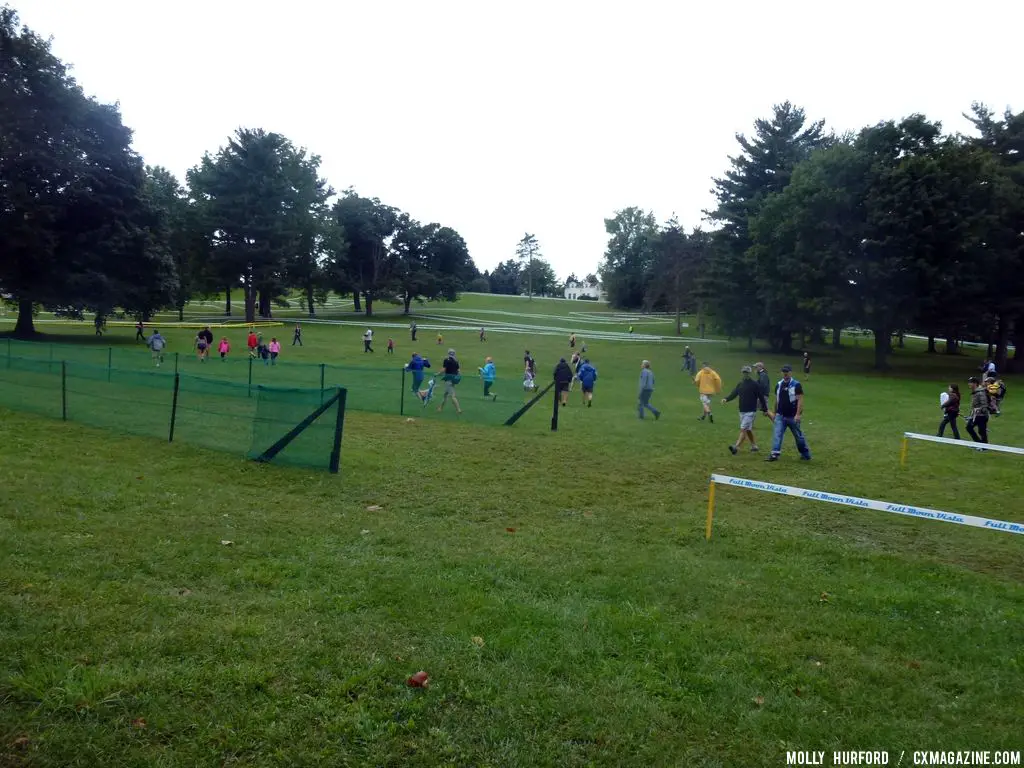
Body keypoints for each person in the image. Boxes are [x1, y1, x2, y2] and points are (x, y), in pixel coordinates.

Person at [766, 364, 810, 462]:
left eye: (787, 372)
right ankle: (774, 454)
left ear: (790, 373)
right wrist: (775, 412)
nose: (785, 373)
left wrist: (798, 414)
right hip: (780, 415)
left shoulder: (796, 385)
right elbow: (777, 400)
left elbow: (800, 400)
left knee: (798, 437)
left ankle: (805, 454)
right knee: (777, 434)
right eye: (784, 372)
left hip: (792, 416)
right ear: (782, 373)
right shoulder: (779, 384)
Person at [722, 365, 769, 455]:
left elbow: (761, 397)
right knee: (748, 429)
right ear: (742, 373)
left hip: (751, 411)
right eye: (744, 372)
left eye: (747, 372)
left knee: (743, 429)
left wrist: (765, 409)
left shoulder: (755, 385)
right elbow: (734, 393)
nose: (745, 374)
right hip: (742, 410)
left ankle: (736, 447)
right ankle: (754, 446)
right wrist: (726, 399)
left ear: (749, 373)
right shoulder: (740, 384)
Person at [965, 376, 990, 444]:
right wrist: (971, 415)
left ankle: (983, 446)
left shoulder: (980, 392)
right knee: (972, 428)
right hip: (976, 415)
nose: (969, 384)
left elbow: (984, 405)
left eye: (970, 383)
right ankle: (979, 444)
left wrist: (978, 410)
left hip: (981, 415)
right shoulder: (975, 392)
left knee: (980, 431)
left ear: (975, 383)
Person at [438, 349, 462, 414]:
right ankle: (440, 408)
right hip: (454, 379)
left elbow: (444, 369)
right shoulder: (456, 361)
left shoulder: (446, 360)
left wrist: (438, 374)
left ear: (448, 354)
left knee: (452, 396)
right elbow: (459, 371)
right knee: (445, 394)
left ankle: (458, 409)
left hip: (448, 380)